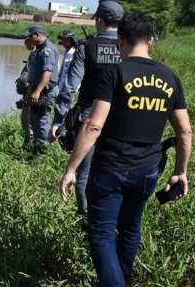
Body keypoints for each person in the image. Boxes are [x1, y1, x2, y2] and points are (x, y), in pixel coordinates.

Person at [58, 14, 192, 286]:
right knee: (131, 227)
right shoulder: (170, 77)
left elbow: (94, 125)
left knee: (102, 233)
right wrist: (181, 172)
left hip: (111, 167)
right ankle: (120, 278)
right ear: (151, 41)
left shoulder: (115, 72)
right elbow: (185, 131)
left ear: (120, 42)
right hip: (148, 169)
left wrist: (71, 169)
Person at [52, 0, 123, 215]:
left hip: (89, 117)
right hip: (119, 119)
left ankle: (86, 220)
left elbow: (70, 88)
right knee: (113, 172)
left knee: (84, 174)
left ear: (99, 20)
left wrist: (59, 120)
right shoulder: (128, 47)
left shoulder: (86, 47)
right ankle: (108, 218)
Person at [24, 25, 59, 150]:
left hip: (45, 91)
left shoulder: (47, 50)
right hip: (38, 90)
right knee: (34, 119)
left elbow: (47, 73)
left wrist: (37, 91)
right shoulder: (39, 49)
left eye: (29, 36)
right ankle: (36, 147)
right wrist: (30, 90)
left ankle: (43, 150)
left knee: (42, 121)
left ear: (37, 35)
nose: (27, 39)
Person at [15, 37, 35, 147]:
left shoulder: (38, 54)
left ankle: (31, 146)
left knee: (29, 121)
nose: (25, 44)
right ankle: (27, 143)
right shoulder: (32, 54)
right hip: (27, 97)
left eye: (26, 42)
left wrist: (26, 99)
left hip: (33, 97)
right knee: (25, 121)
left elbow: (30, 81)